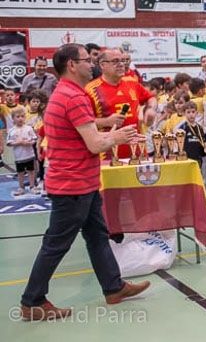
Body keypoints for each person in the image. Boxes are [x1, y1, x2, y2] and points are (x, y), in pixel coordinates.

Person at [19, 43, 149, 322]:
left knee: (97, 235)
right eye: (87, 60)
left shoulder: (67, 93)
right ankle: (32, 301)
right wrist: (118, 136)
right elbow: (95, 144)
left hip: (82, 183)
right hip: (73, 184)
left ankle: (113, 287)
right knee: (56, 244)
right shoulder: (74, 97)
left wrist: (108, 129)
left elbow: (85, 134)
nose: (92, 64)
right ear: (72, 65)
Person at [86, 49, 157, 159]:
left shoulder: (132, 82)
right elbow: (83, 124)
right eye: (115, 61)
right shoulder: (91, 90)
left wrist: (150, 109)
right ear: (102, 65)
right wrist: (106, 121)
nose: (121, 64)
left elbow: (151, 98)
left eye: (122, 61)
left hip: (138, 151)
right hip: (108, 154)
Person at [7, 106, 38, 196]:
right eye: (18, 117)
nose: (20, 118)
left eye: (22, 116)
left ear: (25, 117)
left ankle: (32, 186)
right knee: (20, 172)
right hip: (19, 157)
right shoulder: (11, 131)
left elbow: (34, 139)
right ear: (13, 118)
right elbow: (9, 143)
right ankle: (21, 187)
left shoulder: (29, 128)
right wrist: (18, 142)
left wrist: (29, 143)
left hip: (29, 155)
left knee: (31, 171)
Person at [179, 101, 206, 167]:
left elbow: (203, 140)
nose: (191, 114)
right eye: (188, 112)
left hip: (198, 157)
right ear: (184, 113)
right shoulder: (182, 127)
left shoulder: (199, 127)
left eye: (193, 112)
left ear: (196, 113)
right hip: (187, 158)